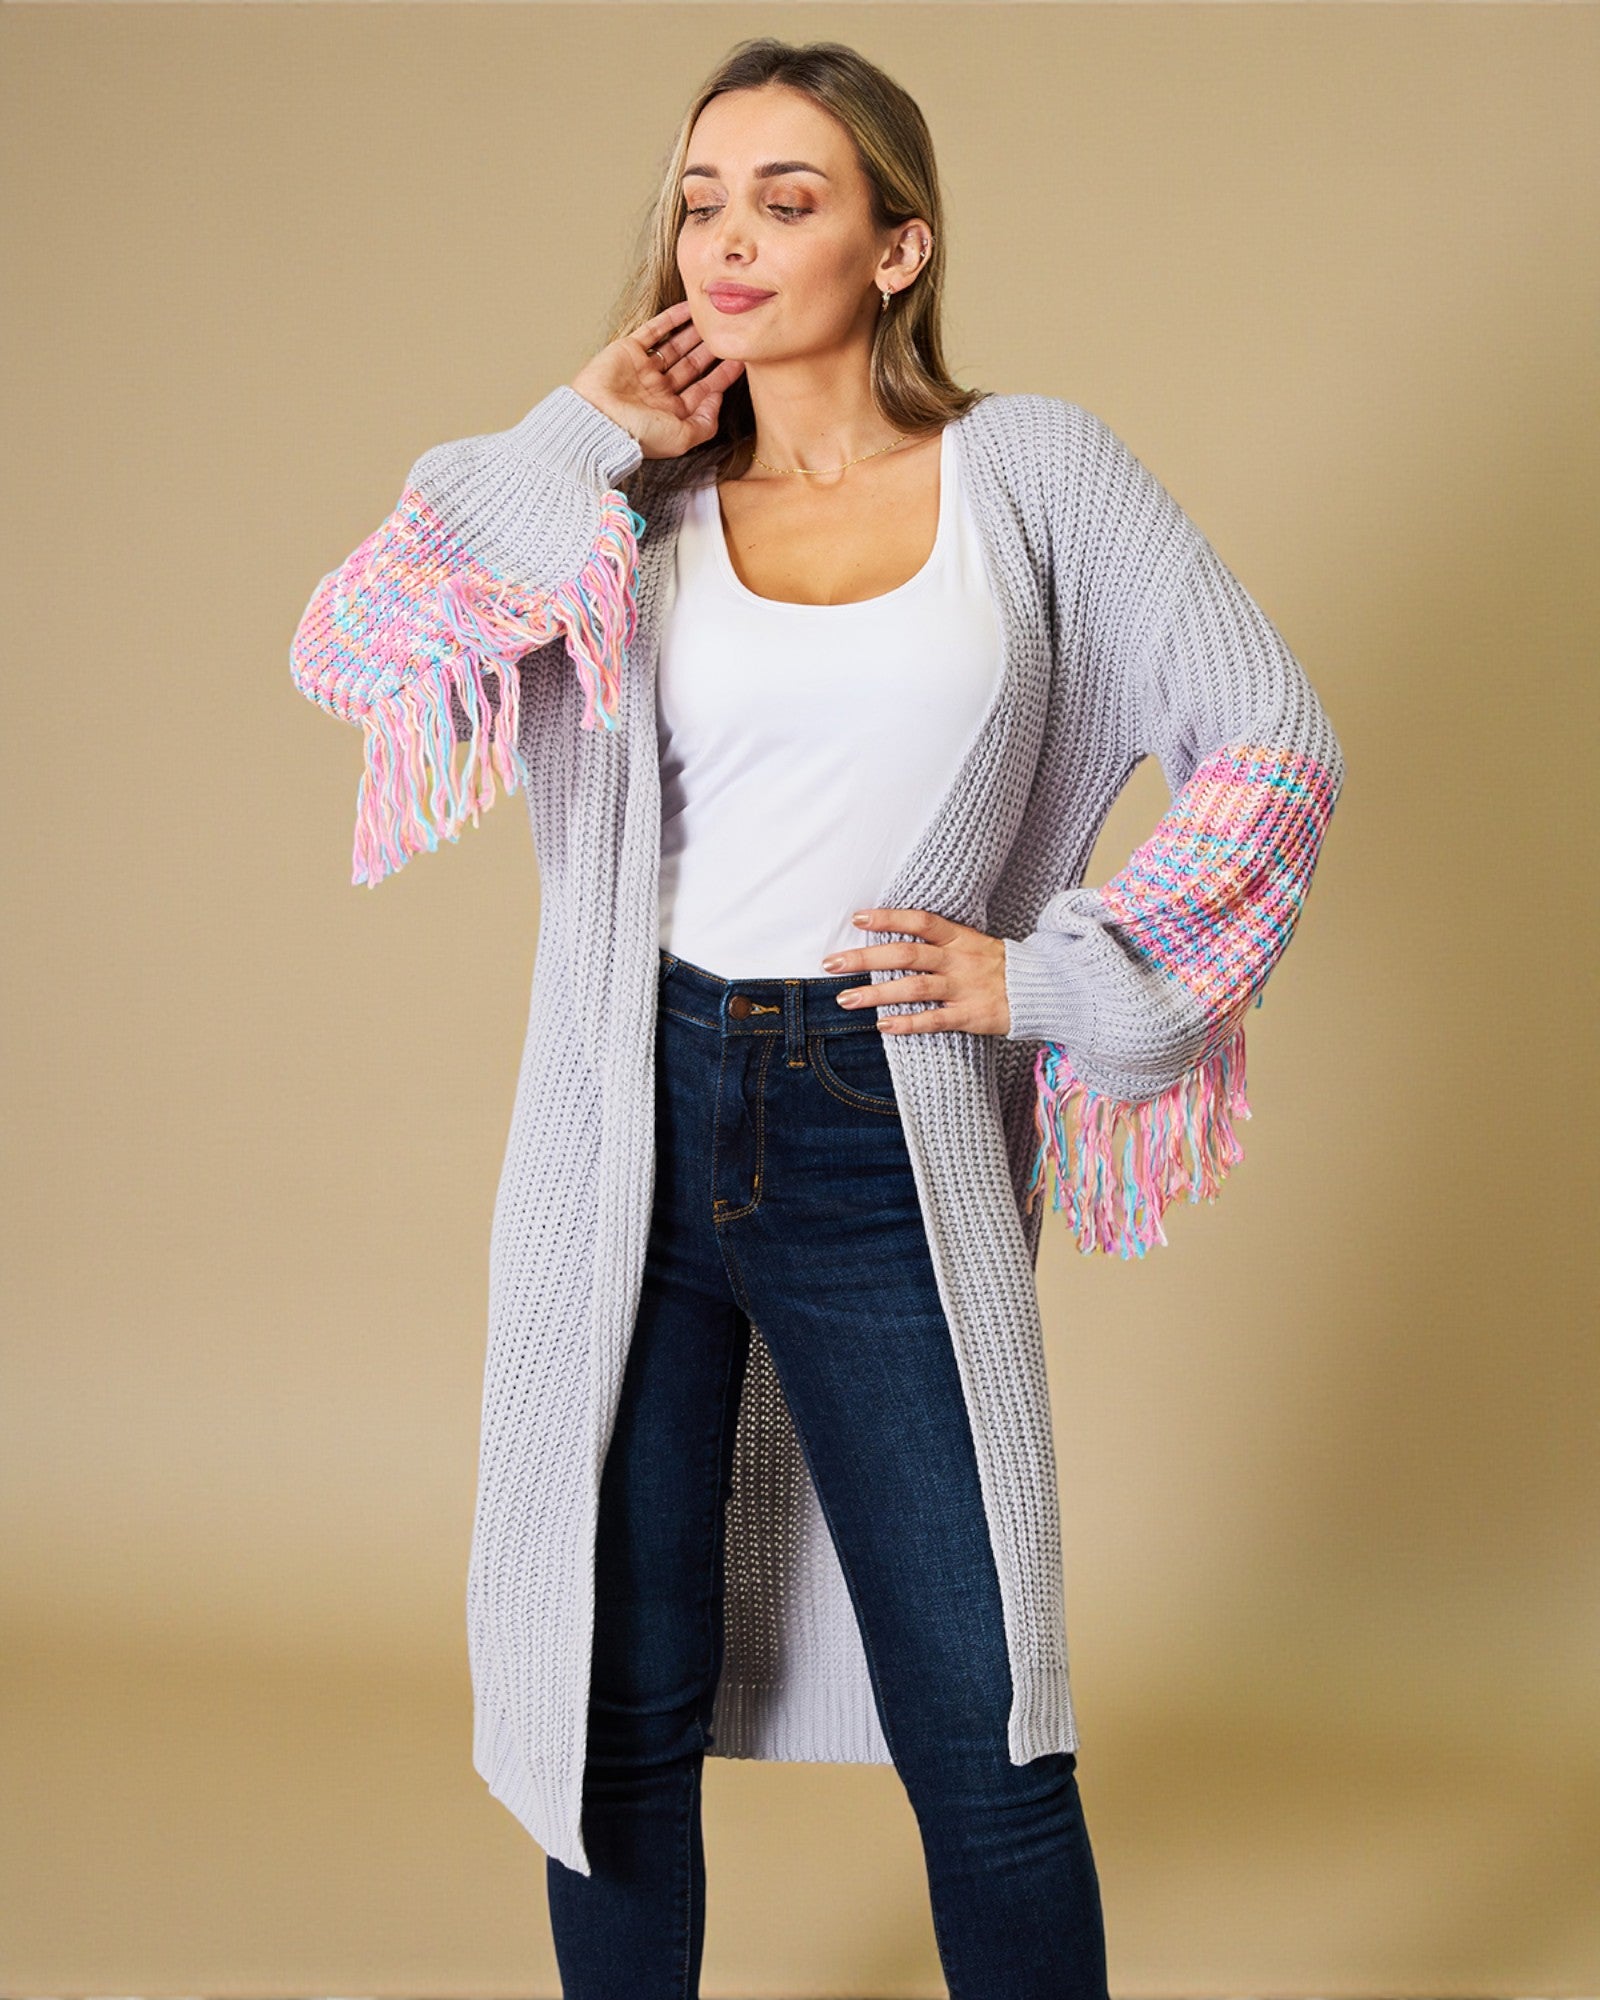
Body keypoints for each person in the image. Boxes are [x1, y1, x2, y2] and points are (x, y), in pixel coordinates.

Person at [289, 37, 1345, 2000]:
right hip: (640, 1106)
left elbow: (1272, 741)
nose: (729, 239)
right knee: (614, 1703)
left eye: (788, 201)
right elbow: (356, 643)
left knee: (984, 1716)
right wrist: (577, 426)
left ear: (897, 246)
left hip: (882, 1115)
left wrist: (1047, 981)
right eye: (702, 201)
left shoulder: (1033, 474)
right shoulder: (626, 507)